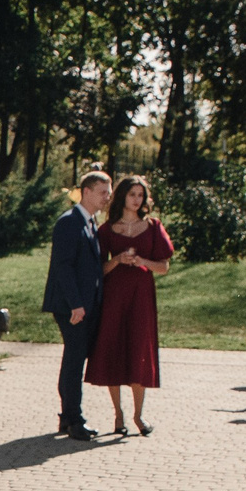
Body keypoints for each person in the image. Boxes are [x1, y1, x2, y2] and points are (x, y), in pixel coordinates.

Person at [84, 176, 172, 436]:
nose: (137, 200)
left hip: (142, 295)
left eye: (140, 195)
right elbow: (98, 268)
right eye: (132, 194)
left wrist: (143, 260)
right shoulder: (108, 229)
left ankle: (138, 415)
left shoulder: (154, 227)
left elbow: (164, 267)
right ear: (122, 196)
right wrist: (118, 260)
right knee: (114, 347)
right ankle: (118, 414)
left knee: (138, 349)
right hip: (115, 294)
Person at [42, 170, 111, 440]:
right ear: (88, 191)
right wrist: (75, 304)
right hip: (72, 307)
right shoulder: (69, 222)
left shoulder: (91, 223)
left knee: (75, 359)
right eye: (103, 192)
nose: (107, 198)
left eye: (109, 192)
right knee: (74, 361)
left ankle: (67, 417)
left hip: (85, 304)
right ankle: (74, 419)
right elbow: (63, 267)